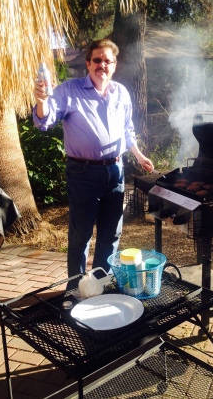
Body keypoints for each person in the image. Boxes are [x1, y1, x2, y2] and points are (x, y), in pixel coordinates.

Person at [33, 39, 154, 289]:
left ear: (114, 65)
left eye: (107, 60)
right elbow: (45, 122)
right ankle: (75, 289)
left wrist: (139, 156)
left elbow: (127, 131)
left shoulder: (121, 92)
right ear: (88, 63)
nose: (102, 64)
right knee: (80, 235)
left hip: (115, 171)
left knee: (112, 233)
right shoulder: (69, 90)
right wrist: (42, 100)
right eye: (97, 60)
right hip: (83, 172)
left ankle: (100, 284)